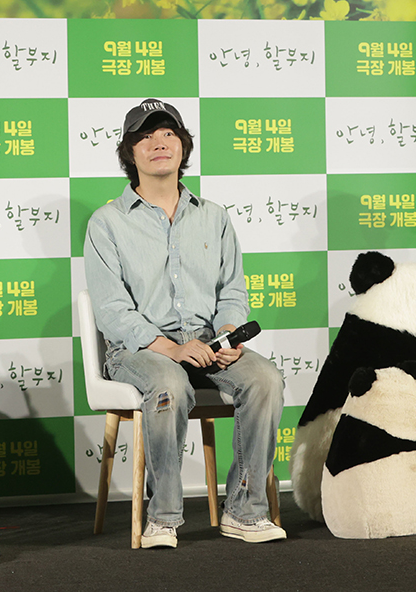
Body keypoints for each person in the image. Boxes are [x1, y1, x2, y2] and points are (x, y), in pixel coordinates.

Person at [83, 98, 287, 548]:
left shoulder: (213, 217)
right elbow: (113, 311)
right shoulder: (106, 223)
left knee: (266, 380)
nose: (159, 143)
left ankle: (244, 511)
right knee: (170, 385)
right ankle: (164, 516)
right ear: (129, 152)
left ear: (184, 146)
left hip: (208, 342)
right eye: (146, 136)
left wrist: (229, 336)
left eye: (169, 134)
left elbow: (232, 291)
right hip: (141, 350)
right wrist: (171, 349)